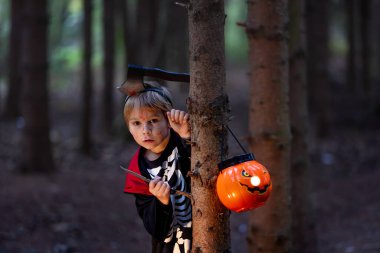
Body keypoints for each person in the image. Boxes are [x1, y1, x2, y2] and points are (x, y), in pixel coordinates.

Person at [122, 82, 192, 253]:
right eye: (136, 123)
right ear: (129, 127)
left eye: (153, 120)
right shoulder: (137, 172)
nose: (145, 130)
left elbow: (208, 168)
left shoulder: (182, 141)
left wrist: (188, 138)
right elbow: (155, 229)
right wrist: (161, 202)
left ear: (168, 120)